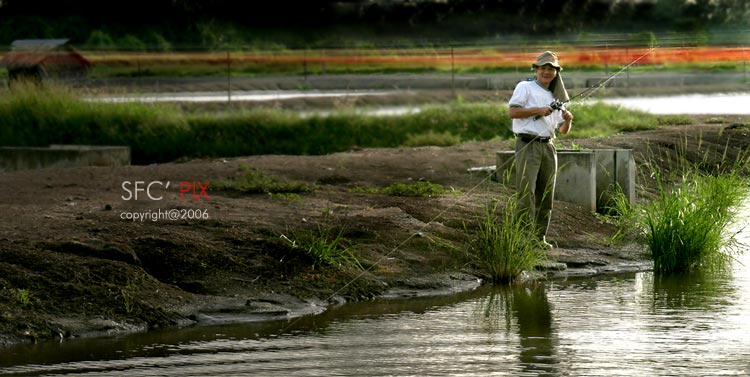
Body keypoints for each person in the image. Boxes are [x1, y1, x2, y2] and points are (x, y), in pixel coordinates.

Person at [508, 51, 573, 249]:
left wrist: (568, 120)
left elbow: (562, 130)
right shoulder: (525, 87)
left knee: (546, 194)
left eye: (551, 69)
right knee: (526, 193)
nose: (546, 72)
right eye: (543, 68)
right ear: (536, 70)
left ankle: (538, 238)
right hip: (528, 145)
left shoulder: (556, 96)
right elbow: (513, 112)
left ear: (556, 73)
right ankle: (521, 237)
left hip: (548, 147)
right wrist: (538, 110)